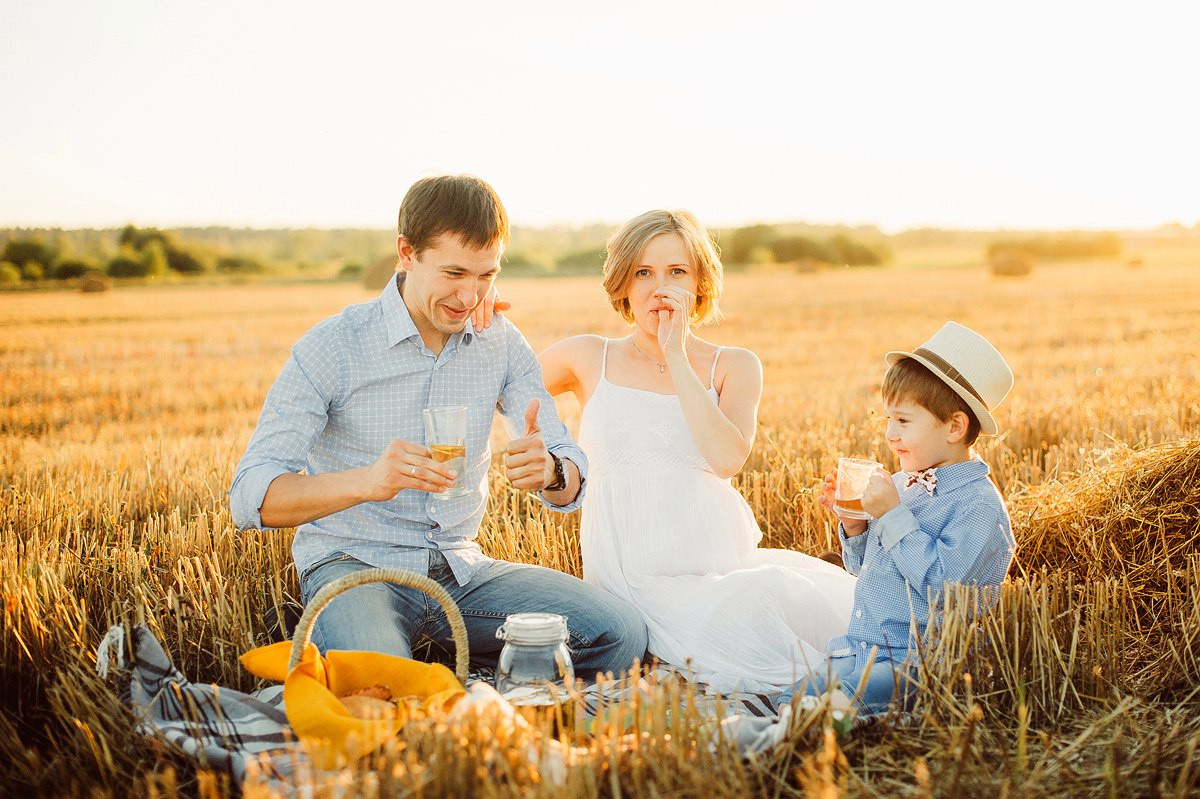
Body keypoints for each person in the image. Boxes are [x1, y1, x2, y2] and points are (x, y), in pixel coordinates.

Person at [229, 175, 647, 680]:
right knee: (386, 688)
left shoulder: (500, 341)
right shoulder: (333, 347)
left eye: (486, 275)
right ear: (406, 253)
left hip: (463, 572)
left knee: (619, 633)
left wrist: (553, 470)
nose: (470, 295)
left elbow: (566, 467)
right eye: (453, 272)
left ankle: (473, 693)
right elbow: (250, 496)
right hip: (355, 567)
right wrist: (368, 481)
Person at [532, 209, 857, 694]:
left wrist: (677, 354)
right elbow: (504, 387)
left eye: (676, 272)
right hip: (626, 580)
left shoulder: (735, 366)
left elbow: (727, 458)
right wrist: (482, 321)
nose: (659, 288)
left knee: (774, 607)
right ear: (622, 283)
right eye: (643, 272)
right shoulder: (588, 356)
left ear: (700, 283)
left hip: (713, 569)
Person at [779, 321, 1016, 713]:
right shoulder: (903, 482)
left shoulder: (978, 509)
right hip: (864, 646)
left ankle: (800, 736)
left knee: (840, 704)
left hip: (922, 664)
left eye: (904, 421)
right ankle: (754, 734)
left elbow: (947, 592)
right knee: (796, 691)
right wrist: (855, 527)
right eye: (888, 419)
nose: (889, 434)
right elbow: (870, 569)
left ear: (955, 426)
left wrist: (891, 514)